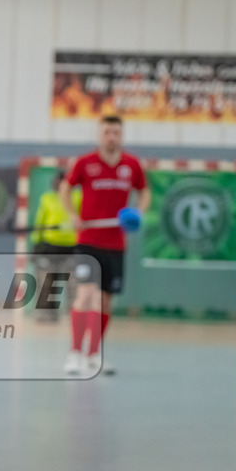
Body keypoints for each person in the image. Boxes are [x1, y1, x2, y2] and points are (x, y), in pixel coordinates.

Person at [60, 115, 150, 375]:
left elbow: (144, 192)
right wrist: (73, 215)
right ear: (100, 135)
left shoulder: (132, 165)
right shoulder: (85, 163)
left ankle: (93, 354)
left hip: (116, 244)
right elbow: (66, 188)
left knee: (106, 302)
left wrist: (138, 213)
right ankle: (74, 353)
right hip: (88, 242)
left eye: (116, 132)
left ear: (121, 135)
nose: (112, 137)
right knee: (86, 295)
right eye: (107, 132)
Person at [30, 171, 81, 322]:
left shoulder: (78, 197)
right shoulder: (47, 199)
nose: (56, 184)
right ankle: (46, 313)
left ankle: (75, 312)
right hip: (50, 246)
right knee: (46, 281)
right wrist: (36, 245)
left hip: (72, 247)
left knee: (73, 283)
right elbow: (40, 222)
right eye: (55, 181)